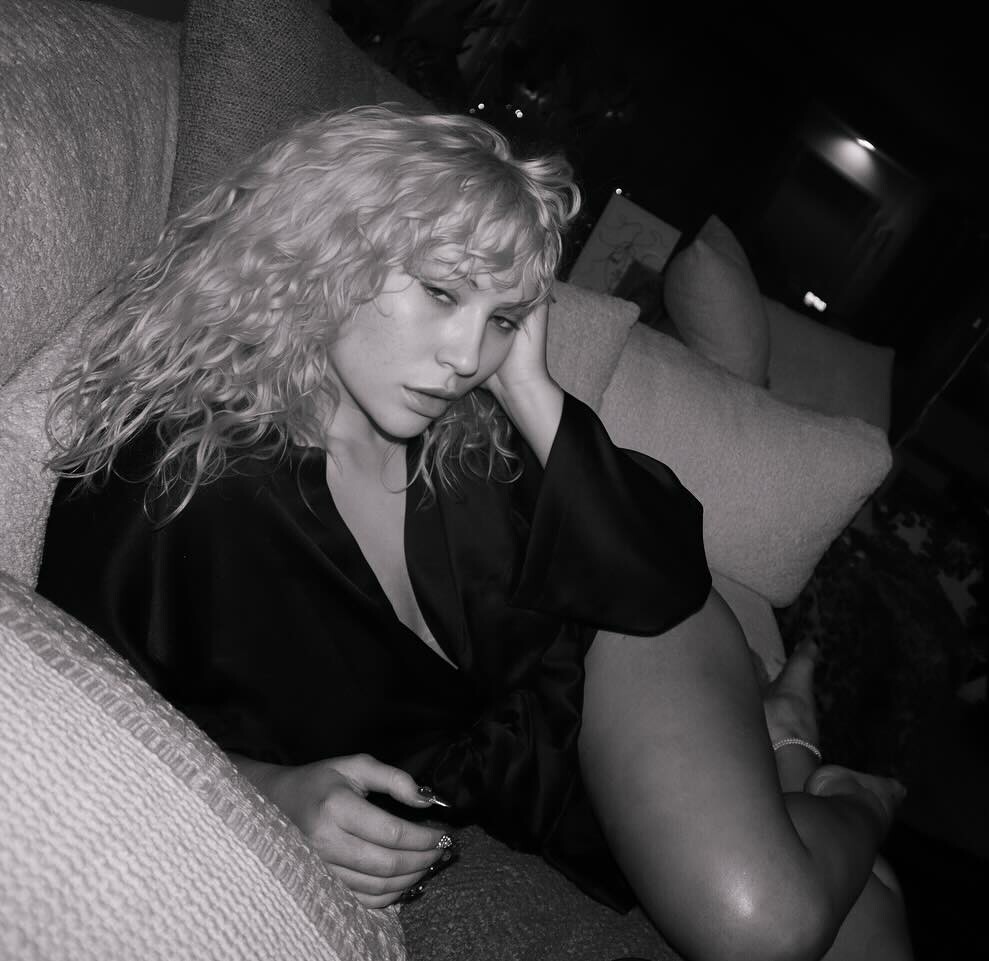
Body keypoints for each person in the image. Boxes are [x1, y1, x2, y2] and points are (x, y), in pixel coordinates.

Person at [37, 105, 910, 961]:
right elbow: (77, 708)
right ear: (327, 248)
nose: (465, 357)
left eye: (501, 318)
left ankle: (857, 795)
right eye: (441, 291)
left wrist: (530, 389)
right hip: (532, 777)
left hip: (627, 638)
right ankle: (782, 738)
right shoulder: (167, 482)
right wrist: (270, 788)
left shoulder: (464, 435)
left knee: (761, 923)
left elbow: (661, 572)